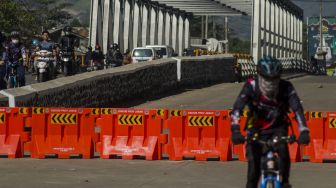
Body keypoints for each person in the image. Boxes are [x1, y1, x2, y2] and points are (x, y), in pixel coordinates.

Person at [230, 56, 310, 188]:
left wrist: (304, 131)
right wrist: (235, 130)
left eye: (275, 79)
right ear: (260, 76)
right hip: (256, 129)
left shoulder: (287, 87)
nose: (271, 83)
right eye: (267, 79)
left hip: (278, 128)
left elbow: (297, 109)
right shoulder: (251, 86)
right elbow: (237, 108)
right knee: (253, 173)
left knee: (284, 154)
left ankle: (284, 182)